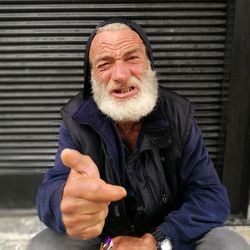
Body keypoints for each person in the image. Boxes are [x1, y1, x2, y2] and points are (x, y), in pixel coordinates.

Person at [27, 18, 250, 250]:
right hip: (105, 240)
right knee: (44, 245)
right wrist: (63, 201)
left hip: (167, 237)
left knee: (229, 244)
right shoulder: (76, 120)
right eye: (104, 64)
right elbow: (52, 189)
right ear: (92, 78)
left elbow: (210, 195)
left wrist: (157, 240)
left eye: (132, 58)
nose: (121, 75)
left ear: (149, 64)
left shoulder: (178, 115)